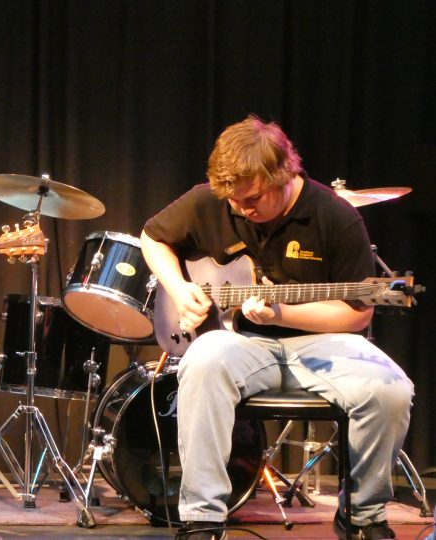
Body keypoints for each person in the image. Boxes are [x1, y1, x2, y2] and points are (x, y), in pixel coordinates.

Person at [140, 115, 414, 540]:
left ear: (284, 174)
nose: (241, 209)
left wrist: (282, 314)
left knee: (391, 390)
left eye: (252, 199)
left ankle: (362, 514)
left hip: (325, 343)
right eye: (233, 201)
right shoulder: (210, 201)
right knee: (203, 359)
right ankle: (203, 518)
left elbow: (358, 314)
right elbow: (151, 237)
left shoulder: (335, 216)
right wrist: (179, 290)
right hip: (240, 342)